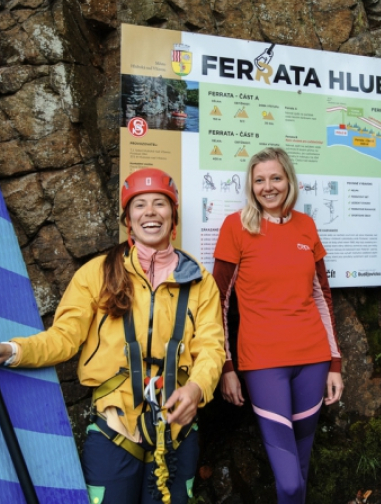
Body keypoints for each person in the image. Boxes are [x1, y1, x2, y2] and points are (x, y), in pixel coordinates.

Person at [0, 168, 225, 504]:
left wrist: (196, 389)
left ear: (173, 216)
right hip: (114, 429)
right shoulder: (97, 274)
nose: (150, 212)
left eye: (160, 204)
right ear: (128, 219)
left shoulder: (199, 280)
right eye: (140, 205)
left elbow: (211, 347)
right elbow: (64, 338)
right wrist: (11, 351)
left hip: (176, 429)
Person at [212, 147, 343, 504]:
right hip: (262, 363)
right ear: (251, 186)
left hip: (312, 358)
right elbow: (218, 303)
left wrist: (334, 363)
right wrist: (226, 366)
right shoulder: (235, 226)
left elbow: (322, 297)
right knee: (288, 483)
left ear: (289, 180)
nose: (268, 187)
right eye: (259, 180)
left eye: (275, 178)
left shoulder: (306, 226)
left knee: (300, 471)